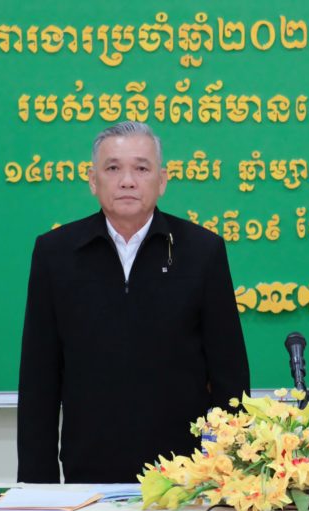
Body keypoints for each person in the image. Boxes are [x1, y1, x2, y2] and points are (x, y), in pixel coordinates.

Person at [17, 121, 250, 483]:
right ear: (93, 180)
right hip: (88, 476)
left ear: (162, 180)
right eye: (113, 168)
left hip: (185, 477)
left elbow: (229, 377)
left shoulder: (202, 251)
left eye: (141, 168)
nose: (127, 181)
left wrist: (229, 475)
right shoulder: (56, 254)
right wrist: (38, 489)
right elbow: (39, 381)